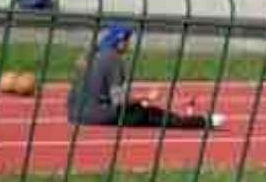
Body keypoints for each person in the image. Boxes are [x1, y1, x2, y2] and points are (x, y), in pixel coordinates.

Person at [65, 22, 222, 131]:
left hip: (74, 114)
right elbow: (119, 100)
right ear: (120, 41)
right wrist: (145, 97)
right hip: (97, 116)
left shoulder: (90, 57)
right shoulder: (113, 59)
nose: (129, 44)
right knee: (150, 114)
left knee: (138, 109)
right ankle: (201, 121)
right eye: (127, 40)